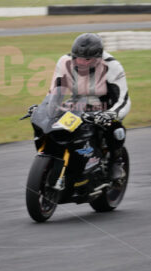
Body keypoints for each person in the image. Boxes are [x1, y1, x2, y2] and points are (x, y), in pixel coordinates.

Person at [48, 33, 131, 180]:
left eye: (88, 60)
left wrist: (110, 114)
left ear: (98, 58)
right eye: (78, 58)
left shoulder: (112, 65)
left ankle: (115, 162)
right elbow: (54, 92)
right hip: (76, 105)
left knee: (116, 129)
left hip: (104, 108)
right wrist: (47, 107)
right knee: (54, 125)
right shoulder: (64, 62)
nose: (82, 63)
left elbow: (123, 100)